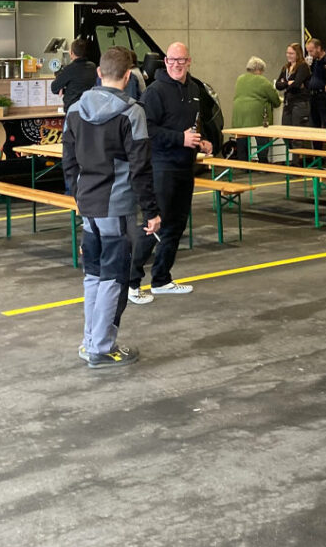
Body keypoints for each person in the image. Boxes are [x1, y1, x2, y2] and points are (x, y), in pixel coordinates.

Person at [62, 47, 161, 369]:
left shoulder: (75, 109)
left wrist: (78, 195)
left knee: (93, 274)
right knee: (114, 278)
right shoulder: (132, 112)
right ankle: (102, 349)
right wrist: (152, 211)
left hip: (87, 205)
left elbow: (68, 161)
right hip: (116, 208)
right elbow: (141, 168)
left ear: (99, 73)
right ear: (128, 76)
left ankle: (91, 341)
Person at [128, 42, 216, 304]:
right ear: (165, 62)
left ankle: (162, 280)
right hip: (162, 166)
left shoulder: (194, 88)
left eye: (182, 60)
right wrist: (180, 138)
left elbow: (196, 123)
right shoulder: (155, 91)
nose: (176, 65)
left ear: (189, 62)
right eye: (171, 60)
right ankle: (132, 283)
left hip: (184, 166)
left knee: (177, 225)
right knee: (155, 224)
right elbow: (148, 130)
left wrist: (203, 141)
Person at [231, 56, 281, 160]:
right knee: (261, 137)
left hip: (239, 114)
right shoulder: (262, 80)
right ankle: (262, 162)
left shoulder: (240, 79)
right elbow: (275, 99)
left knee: (242, 138)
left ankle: (243, 163)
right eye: (262, 70)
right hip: (256, 115)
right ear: (258, 70)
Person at [51, 38, 98, 111]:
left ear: (71, 52)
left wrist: (64, 89)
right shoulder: (92, 67)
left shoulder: (69, 69)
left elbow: (54, 88)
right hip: (90, 109)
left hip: (73, 110)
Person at [275, 42, 311, 128]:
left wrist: (285, 84)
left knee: (298, 130)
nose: (288, 55)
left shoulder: (303, 66)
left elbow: (296, 85)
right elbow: (277, 85)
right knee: (286, 129)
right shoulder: (286, 68)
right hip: (288, 103)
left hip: (299, 103)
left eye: (291, 53)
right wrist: (287, 83)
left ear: (298, 54)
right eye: (287, 53)